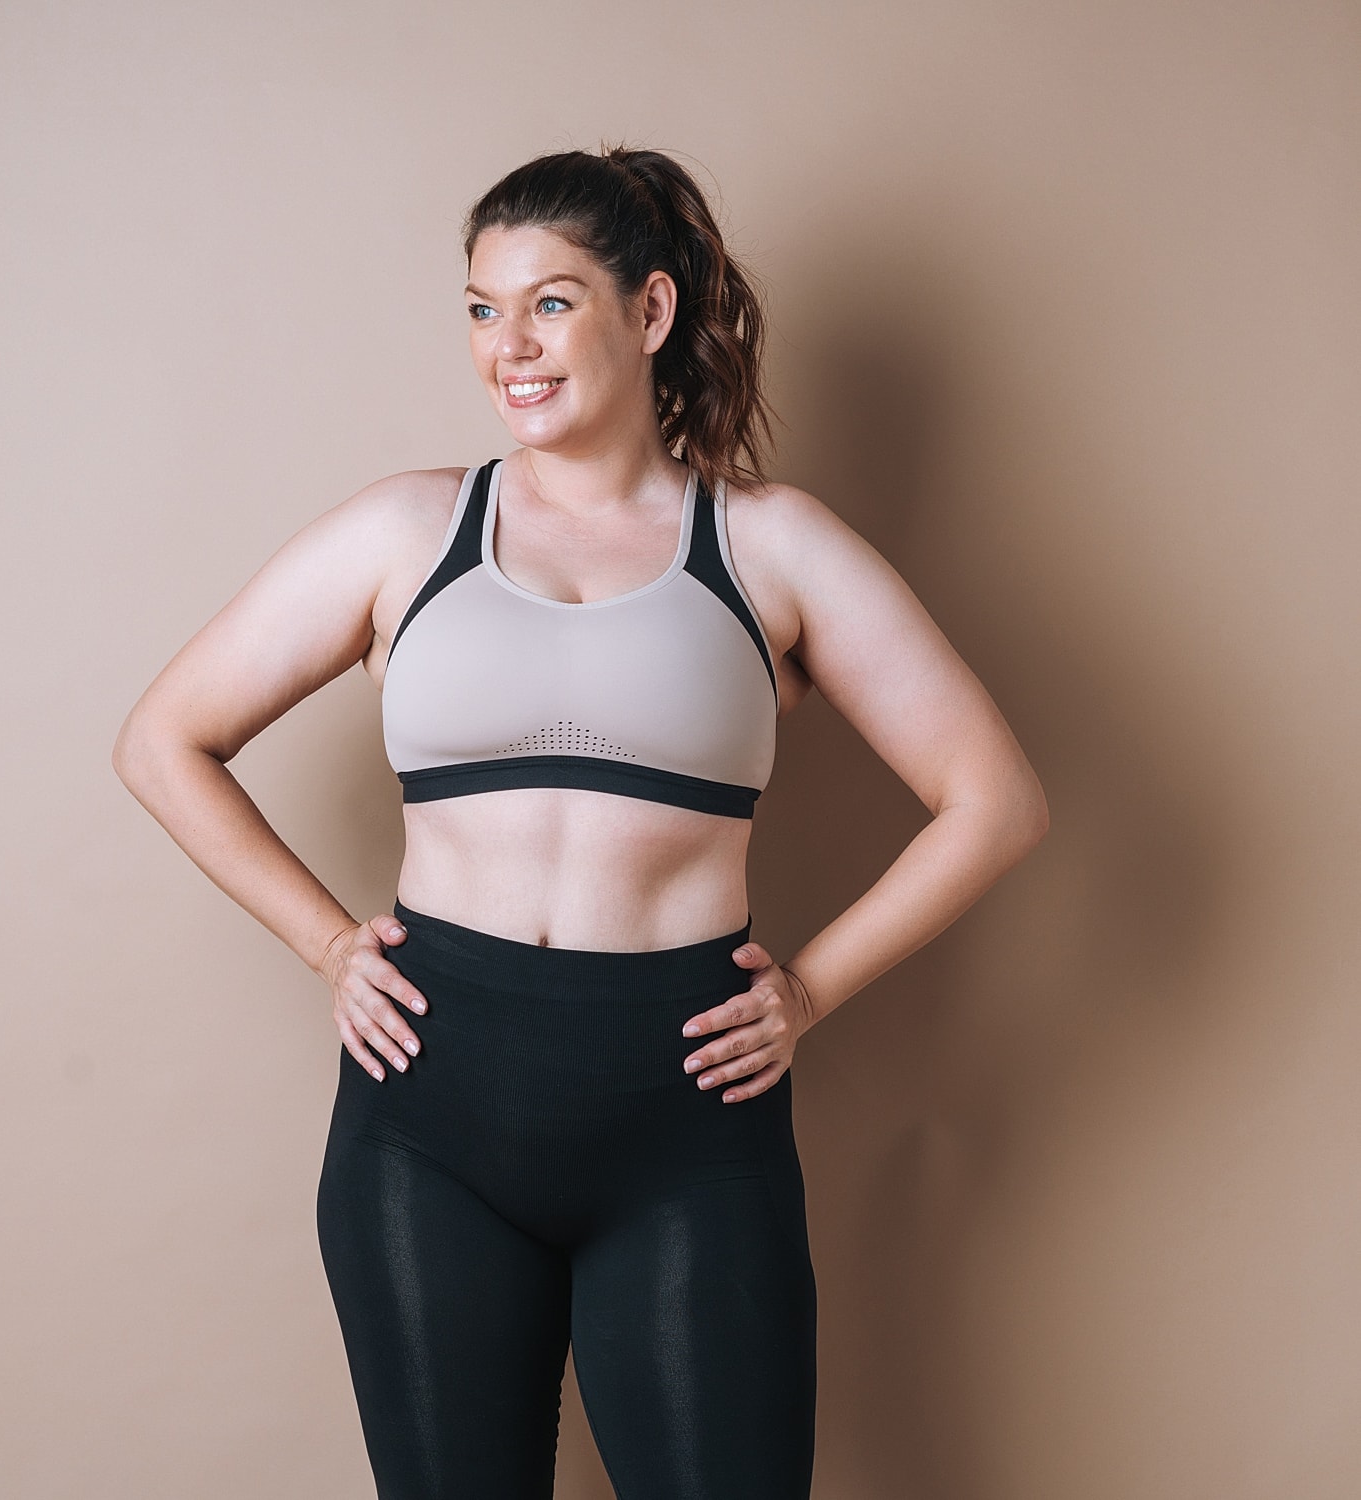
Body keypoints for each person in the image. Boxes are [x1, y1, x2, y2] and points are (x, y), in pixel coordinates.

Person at [112, 144, 1048, 1500]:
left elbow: (994, 800)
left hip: (685, 1126)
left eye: (550, 302)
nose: (511, 346)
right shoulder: (409, 532)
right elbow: (164, 740)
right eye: (484, 309)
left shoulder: (769, 546)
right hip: (425, 1126)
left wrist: (813, 988)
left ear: (650, 312)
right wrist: (328, 946)